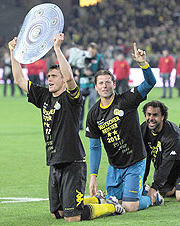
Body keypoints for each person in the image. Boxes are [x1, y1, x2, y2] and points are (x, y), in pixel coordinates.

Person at [8, 33, 124, 222]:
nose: (49, 79)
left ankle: (110, 206)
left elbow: (70, 78)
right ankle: (96, 199)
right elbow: (19, 80)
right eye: (48, 76)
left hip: (73, 162)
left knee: (73, 217)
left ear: (62, 79)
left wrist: (57, 49)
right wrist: (13, 53)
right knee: (58, 214)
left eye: (54, 76)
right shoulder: (44, 97)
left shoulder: (72, 99)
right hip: (54, 161)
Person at [86, 43, 163, 212]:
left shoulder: (127, 100)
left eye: (108, 82)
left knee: (130, 206)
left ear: (114, 84)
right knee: (114, 201)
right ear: (96, 87)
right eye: (101, 83)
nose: (105, 86)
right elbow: (94, 146)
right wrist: (93, 177)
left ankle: (152, 198)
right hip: (115, 166)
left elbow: (150, 82)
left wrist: (143, 63)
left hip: (135, 161)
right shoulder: (93, 114)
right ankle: (141, 189)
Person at [141, 100, 180, 202]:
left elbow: (167, 163)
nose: (151, 118)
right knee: (164, 193)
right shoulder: (143, 130)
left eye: (155, 115)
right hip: (164, 163)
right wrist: (140, 183)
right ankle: (176, 186)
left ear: (162, 116)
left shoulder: (172, 135)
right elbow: (145, 159)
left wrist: (154, 187)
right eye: (148, 115)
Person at [79, 42, 105, 130]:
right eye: (90, 52)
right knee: (80, 105)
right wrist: (82, 72)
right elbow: (77, 69)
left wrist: (93, 73)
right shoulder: (83, 57)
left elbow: (103, 70)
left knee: (92, 104)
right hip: (83, 84)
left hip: (93, 85)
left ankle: (91, 124)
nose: (91, 54)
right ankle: (79, 125)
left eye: (93, 52)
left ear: (96, 51)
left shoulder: (99, 58)